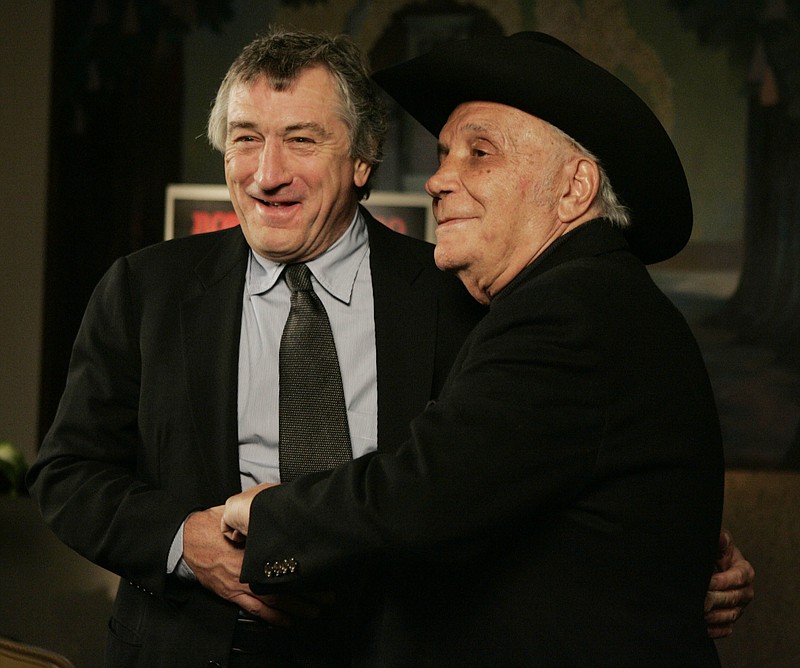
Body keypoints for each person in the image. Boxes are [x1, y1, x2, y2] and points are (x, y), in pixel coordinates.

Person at [27, 27, 750, 668]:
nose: (265, 171)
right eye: (245, 138)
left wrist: (675, 547)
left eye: (302, 140)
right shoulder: (143, 289)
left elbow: (486, 471)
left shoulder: (468, 296)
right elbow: (66, 474)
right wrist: (190, 541)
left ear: (365, 159)